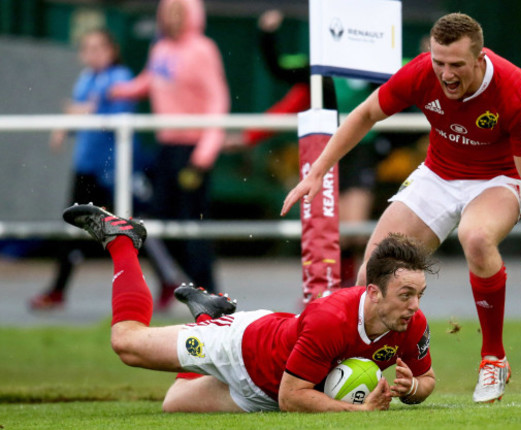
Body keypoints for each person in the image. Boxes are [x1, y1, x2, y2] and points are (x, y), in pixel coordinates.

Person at [282, 12, 521, 403]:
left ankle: (493, 357)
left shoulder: (516, 91)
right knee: (370, 272)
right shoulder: (422, 71)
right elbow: (367, 113)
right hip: (439, 174)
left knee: (475, 237)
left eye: (456, 65)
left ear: (480, 59)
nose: (445, 74)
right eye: (439, 62)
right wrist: (317, 172)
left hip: (499, 179)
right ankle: (358, 375)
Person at [61, 203, 436, 413]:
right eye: (405, 294)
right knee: (128, 344)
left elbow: (428, 381)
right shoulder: (332, 319)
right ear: (372, 292)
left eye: (419, 294)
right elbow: (293, 398)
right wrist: (360, 414)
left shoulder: (412, 323)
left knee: (173, 406)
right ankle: (122, 239)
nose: (414, 306)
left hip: (266, 393)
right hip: (244, 349)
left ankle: (210, 313)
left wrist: (413, 386)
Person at [228, 9, 383, 286]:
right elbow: (277, 69)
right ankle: (330, 292)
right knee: (333, 230)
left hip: (359, 152)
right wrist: (267, 34)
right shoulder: (317, 69)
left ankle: (349, 295)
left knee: (355, 232)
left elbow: (409, 74)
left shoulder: (373, 66)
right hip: (325, 153)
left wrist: (428, 54)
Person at [110, 0, 230, 301]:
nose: (173, 18)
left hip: (193, 150)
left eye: (180, 11)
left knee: (193, 225)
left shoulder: (203, 49)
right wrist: (110, 91)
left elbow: (218, 101)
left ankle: (212, 294)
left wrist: (204, 154)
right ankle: (185, 283)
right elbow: (147, 82)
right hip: (166, 147)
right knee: (156, 220)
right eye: (169, 12)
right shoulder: (160, 49)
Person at [28, 29, 140, 310]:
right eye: (87, 48)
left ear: (112, 50)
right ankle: (57, 291)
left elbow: (112, 118)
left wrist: (84, 112)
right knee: (73, 225)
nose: (93, 54)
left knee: (131, 228)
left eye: (99, 47)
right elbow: (78, 114)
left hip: (114, 171)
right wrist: (65, 126)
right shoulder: (86, 78)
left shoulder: (121, 77)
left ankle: (166, 281)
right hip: (86, 169)